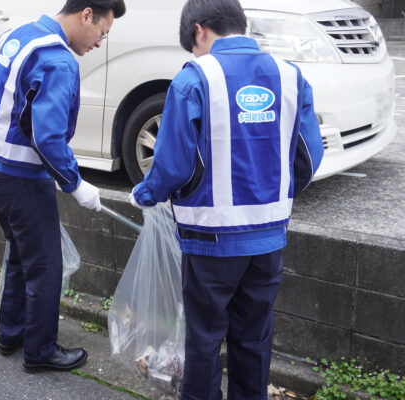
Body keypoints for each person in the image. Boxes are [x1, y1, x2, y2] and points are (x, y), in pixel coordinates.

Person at [130, 0, 324, 398]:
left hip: (210, 241)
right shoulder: (289, 76)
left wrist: (145, 194)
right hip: (268, 238)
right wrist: (276, 194)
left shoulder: (195, 79)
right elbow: (308, 157)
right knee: (254, 336)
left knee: (204, 338)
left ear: (199, 31)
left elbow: (172, 165)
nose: (196, 54)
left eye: (193, 46)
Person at [0, 0, 126, 373]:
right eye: (102, 33)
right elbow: (47, 137)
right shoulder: (58, 62)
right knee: (45, 264)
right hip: (21, 176)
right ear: (86, 14)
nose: (99, 42)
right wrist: (75, 183)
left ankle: (11, 333)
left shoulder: (17, 35)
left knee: (20, 251)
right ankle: (39, 350)